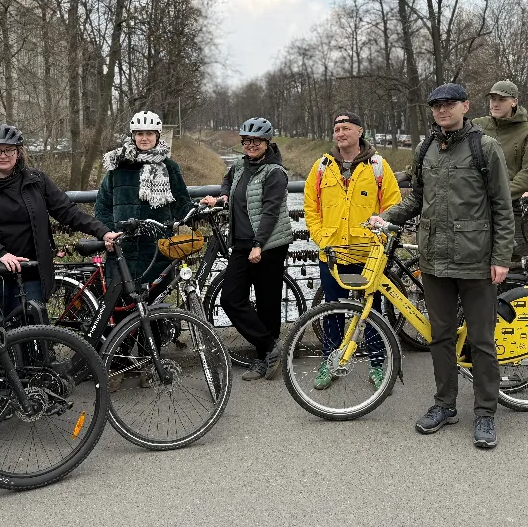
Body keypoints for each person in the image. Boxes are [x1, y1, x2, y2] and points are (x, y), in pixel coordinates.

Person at [370, 83, 514, 450]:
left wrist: (500, 257)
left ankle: (484, 412)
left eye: (448, 104)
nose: (441, 110)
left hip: (477, 259)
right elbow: (418, 197)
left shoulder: (486, 147)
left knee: (481, 340)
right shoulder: (426, 148)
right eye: (436, 106)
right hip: (434, 259)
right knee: (441, 337)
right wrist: (388, 217)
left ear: (465, 106)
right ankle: (444, 404)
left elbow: (502, 205)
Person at [0, 124, 117, 318]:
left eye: (9, 150)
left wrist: (102, 231)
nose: (3, 155)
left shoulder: (36, 181)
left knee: (36, 333)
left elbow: (67, 211)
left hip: (31, 273)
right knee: (1, 340)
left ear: (18, 153)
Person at [302, 111, 401, 389]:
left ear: (359, 131)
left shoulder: (378, 166)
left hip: (368, 255)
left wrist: (379, 241)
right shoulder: (322, 166)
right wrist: (322, 237)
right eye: (336, 129)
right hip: (332, 254)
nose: (340, 133)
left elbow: (392, 206)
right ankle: (329, 362)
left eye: (346, 128)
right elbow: (311, 206)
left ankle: (379, 365)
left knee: (372, 312)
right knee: (332, 311)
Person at [200, 117, 291, 381]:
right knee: (231, 298)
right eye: (247, 141)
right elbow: (228, 181)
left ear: (267, 142)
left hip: (269, 244)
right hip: (240, 243)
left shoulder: (275, 173)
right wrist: (222, 197)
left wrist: (258, 245)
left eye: (257, 141)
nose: (251, 145)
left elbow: (270, 212)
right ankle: (271, 347)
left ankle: (264, 361)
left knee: (267, 303)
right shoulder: (240, 165)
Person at [95, 112, 192, 291]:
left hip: (156, 249)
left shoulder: (169, 167)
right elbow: (102, 207)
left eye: (149, 134)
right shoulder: (118, 167)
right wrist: (108, 232)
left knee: (156, 307)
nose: (144, 138)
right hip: (122, 248)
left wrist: (201, 208)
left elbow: (181, 205)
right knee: (121, 307)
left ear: (157, 136)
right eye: (140, 134)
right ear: (133, 136)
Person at [472, 80, 528, 267]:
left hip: (514, 208)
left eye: (501, 99)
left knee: (516, 263)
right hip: (478, 207)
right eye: (493, 99)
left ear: (514, 102)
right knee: (478, 260)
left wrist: (499, 195)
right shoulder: (477, 126)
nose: (495, 103)